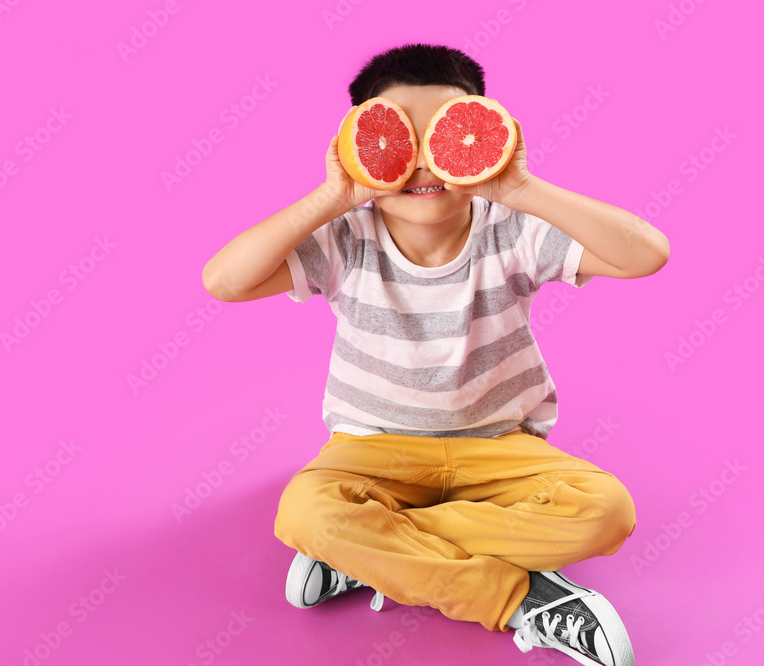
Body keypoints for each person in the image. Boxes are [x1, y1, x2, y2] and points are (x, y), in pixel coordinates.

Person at [201, 42, 669, 666]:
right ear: (355, 148)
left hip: (501, 447)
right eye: (397, 139)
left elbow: (647, 253)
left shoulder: (512, 227)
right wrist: (333, 196)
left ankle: (366, 553)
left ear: (484, 138)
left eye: (444, 136)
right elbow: (224, 282)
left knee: (606, 511)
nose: (422, 163)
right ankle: (522, 598)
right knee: (304, 510)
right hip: (372, 452)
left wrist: (521, 188)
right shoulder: (347, 239)